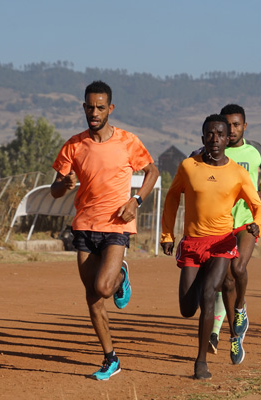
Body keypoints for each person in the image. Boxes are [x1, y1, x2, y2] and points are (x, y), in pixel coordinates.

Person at [51, 81, 159, 380]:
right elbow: (55, 189)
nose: (94, 112)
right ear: (83, 107)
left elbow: (152, 172)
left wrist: (135, 201)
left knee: (103, 287)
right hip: (84, 226)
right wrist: (64, 184)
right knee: (93, 298)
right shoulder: (74, 144)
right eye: (89, 107)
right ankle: (111, 358)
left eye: (100, 107)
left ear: (110, 108)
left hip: (116, 225)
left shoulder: (127, 141)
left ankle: (120, 274)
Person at [160, 114, 261, 379]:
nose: (215, 139)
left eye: (220, 134)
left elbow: (257, 206)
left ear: (227, 138)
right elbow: (172, 198)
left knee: (209, 295)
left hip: (222, 242)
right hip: (192, 243)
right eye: (210, 134)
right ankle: (205, 279)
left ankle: (201, 362)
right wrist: (167, 235)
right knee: (186, 308)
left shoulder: (237, 173)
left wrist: (257, 226)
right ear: (202, 138)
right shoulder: (188, 166)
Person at [205, 104, 261, 359]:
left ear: (244, 126)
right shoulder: (213, 151)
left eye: (237, 125)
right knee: (225, 281)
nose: (232, 130)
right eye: (228, 125)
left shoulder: (256, 150)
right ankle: (234, 336)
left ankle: (240, 308)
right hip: (221, 223)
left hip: (249, 220)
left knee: (238, 268)